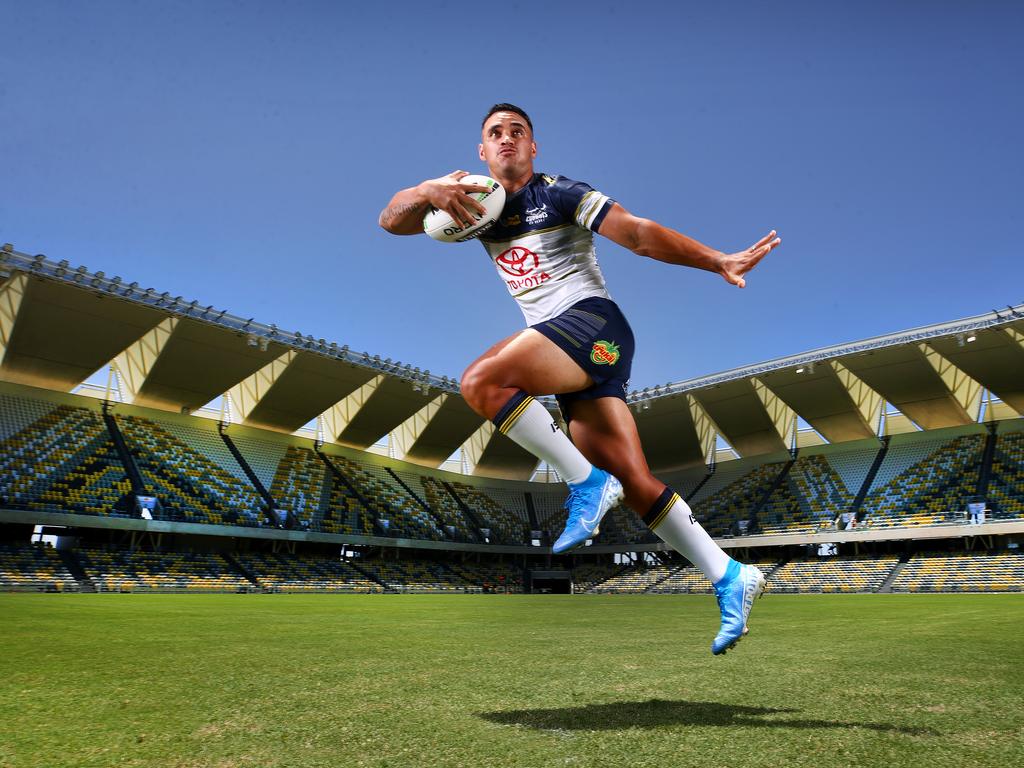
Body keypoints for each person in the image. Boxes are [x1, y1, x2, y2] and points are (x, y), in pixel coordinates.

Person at [379, 103, 780, 654]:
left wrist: (717, 261)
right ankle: (730, 575)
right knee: (636, 483)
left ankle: (584, 481)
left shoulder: (560, 193)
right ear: (480, 150)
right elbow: (391, 220)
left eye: (517, 132)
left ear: (533, 146)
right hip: (566, 348)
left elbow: (637, 234)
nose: (506, 140)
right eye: (494, 134)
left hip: (591, 324)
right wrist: (427, 189)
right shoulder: (472, 204)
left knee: (481, 382)